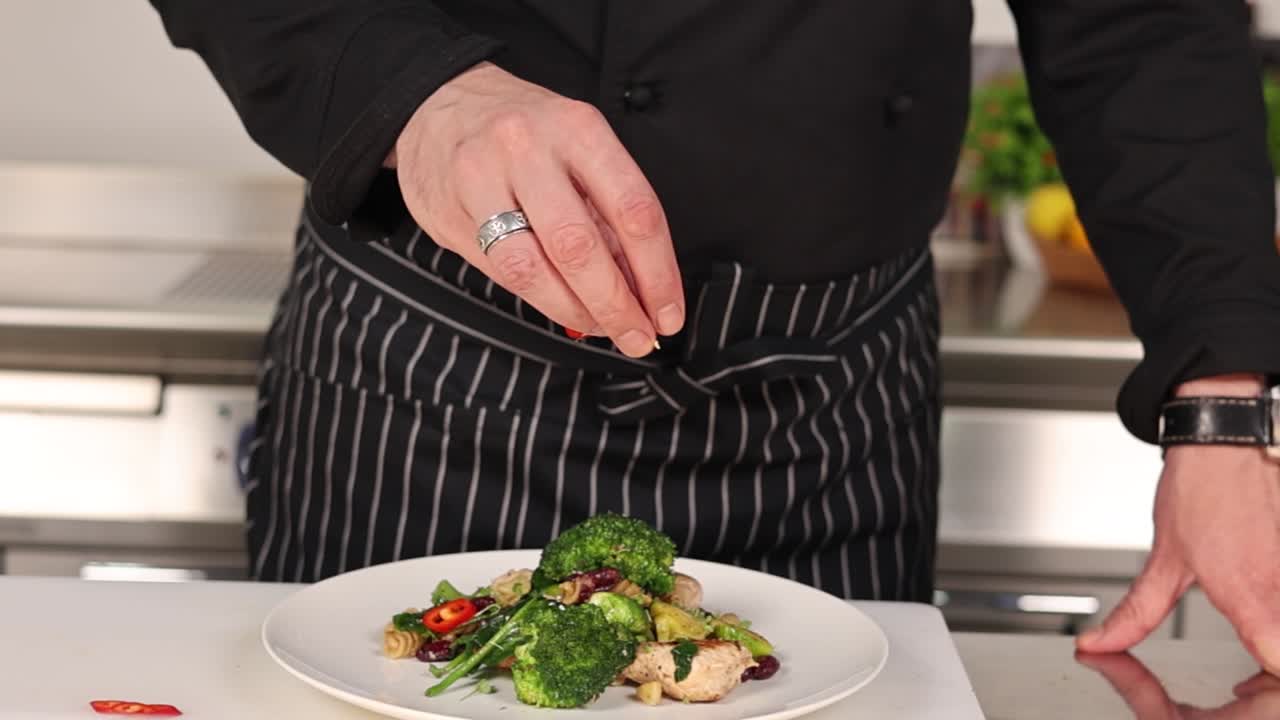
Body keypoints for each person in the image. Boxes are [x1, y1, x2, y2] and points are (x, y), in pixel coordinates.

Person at [150, 1, 1280, 672]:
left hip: (834, 400)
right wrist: (414, 93)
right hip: (441, 368)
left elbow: (1141, 18)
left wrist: (1220, 396)